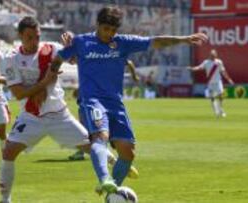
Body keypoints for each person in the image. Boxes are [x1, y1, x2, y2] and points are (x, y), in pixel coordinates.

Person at [50, 6, 208, 194]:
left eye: (113, 30)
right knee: (100, 137)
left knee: (127, 152)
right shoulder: (81, 42)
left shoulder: (122, 43)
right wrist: (54, 70)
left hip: (115, 103)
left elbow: (154, 42)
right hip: (92, 101)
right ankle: (104, 178)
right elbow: (58, 58)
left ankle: (110, 191)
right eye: (106, 29)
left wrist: (183, 39)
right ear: (98, 25)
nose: (109, 34)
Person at [0, 16, 137, 203]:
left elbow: (78, 60)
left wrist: (73, 47)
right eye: (29, 37)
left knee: (92, 146)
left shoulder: (51, 49)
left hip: (59, 116)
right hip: (31, 117)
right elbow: (18, 94)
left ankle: (113, 163)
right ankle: (5, 200)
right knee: (8, 152)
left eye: (37, 36)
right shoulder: (10, 58)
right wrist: (44, 83)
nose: (34, 41)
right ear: (20, 36)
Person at [68, 59, 139, 160]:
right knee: (90, 125)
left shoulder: (98, 55)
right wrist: (134, 76)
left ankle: (97, 151)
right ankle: (110, 148)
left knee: (87, 126)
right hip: (102, 95)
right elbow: (129, 62)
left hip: (96, 96)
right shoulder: (108, 55)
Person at [189, 49, 234, 117]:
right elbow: (199, 67)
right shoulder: (206, 62)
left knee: (221, 95)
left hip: (218, 81)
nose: (212, 56)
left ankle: (221, 109)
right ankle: (216, 112)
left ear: (216, 55)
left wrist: (229, 79)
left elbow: (223, 72)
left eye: (213, 55)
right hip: (210, 83)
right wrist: (192, 68)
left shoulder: (219, 62)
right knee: (212, 98)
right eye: (211, 55)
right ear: (209, 55)